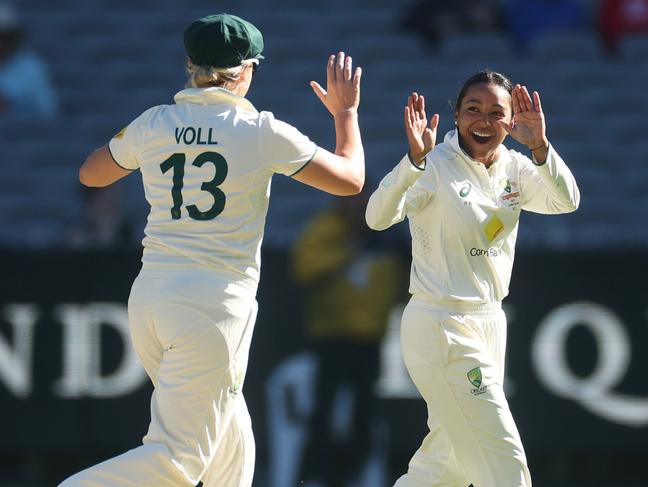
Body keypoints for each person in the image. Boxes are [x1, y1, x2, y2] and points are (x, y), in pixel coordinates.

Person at [59, 13, 364, 487]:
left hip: (152, 301)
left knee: (231, 443)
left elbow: (91, 174)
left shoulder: (155, 122)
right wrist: (345, 114)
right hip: (213, 306)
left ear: (190, 64)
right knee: (177, 462)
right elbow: (351, 180)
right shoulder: (261, 130)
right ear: (244, 71)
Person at [366, 71, 580, 487]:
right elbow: (376, 217)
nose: (483, 121)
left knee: (447, 464)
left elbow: (566, 201)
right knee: (501, 453)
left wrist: (539, 146)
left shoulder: (515, 168)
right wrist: (412, 162)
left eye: (496, 113)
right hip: (441, 322)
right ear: (456, 114)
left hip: (489, 322)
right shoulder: (433, 166)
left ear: (512, 120)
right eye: (472, 110)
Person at [292, 192, 405, 486]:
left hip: (370, 340)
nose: (358, 208)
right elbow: (305, 268)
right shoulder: (324, 229)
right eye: (353, 201)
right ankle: (316, 476)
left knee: (365, 416)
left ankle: (354, 476)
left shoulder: (388, 237)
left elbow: (406, 279)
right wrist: (347, 251)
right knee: (323, 413)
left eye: (365, 201)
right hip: (331, 337)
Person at [0, 1, 57, 119]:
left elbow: (48, 112)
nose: (1, 43)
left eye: (5, 37)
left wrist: (13, 106)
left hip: (25, 134)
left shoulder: (32, 68)